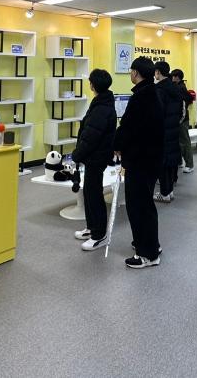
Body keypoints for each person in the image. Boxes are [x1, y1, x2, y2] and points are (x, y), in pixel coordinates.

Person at [113, 56, 164, 269]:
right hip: (151, 159)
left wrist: (117, 144)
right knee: (145, 205)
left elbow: (129, 128)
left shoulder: (141, 97)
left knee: (139, 206)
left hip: (141, 160)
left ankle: (147, 254)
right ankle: (150, 244)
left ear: (136, 73)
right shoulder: (152, 93)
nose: (130, 74)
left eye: (131, 71)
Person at [71, 69, 117, 251]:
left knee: (94, 194)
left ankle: (99, 235)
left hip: (97, 157)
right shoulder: (101, 103)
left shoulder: (101, 108)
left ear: (93, 85)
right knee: (90, 192)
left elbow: (91, 137)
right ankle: (91, 228)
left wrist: (77, 154)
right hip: (94, 157)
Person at [153, 61, 183, 203]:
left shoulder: (159, 89)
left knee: (163, 162)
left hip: (162, 130)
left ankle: (164, 193)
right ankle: (169, 191)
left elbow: (158, 112)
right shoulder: (175, 88)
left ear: (158, 72)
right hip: (174, 128)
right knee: (171, 161)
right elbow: (181, 111)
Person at [171, 69, 195, 173]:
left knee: (185, 143)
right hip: (179, 119)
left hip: (182, 120)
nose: (171, 78)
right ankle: (179, 162)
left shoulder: (181, 88)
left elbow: (183, 107)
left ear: (177, 77)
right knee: (178, 142)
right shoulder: (177, 87)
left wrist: (180, 120)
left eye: (173, 76)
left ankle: (190, 165)